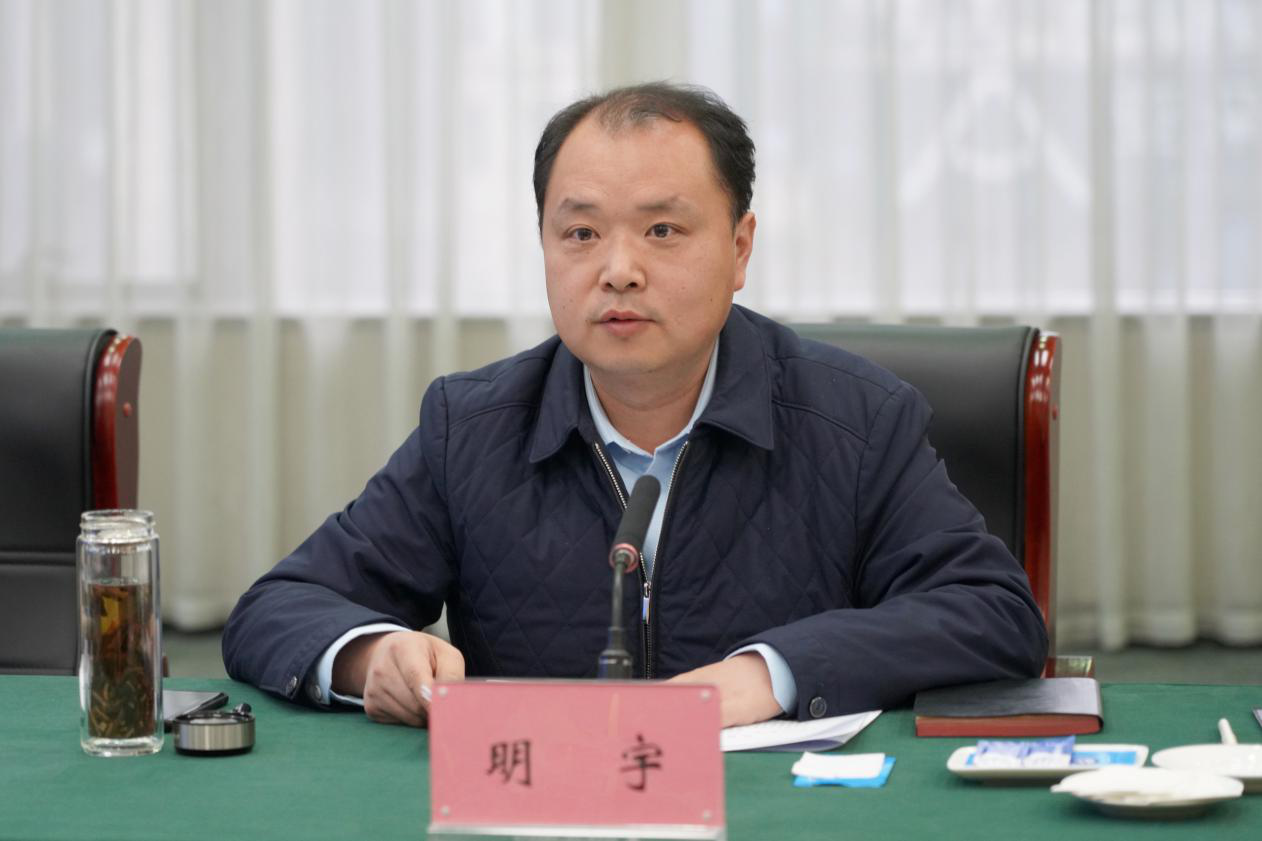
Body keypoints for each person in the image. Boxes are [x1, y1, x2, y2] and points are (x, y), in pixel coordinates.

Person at [222, 82, 1047, 729]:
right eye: (581, 234)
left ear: (740, 248)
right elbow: (276, 608)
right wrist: (372, 655)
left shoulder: (856, 420)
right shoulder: (470, 428)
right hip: (543, 811)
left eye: (662, 231)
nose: (618, 269)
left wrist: (770, 674)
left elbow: (994, 612)